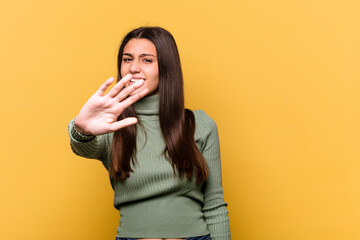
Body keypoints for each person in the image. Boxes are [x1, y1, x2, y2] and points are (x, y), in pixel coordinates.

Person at [68, 26, 231, 240]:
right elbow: (82, 145)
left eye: (146, 60)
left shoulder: (200, 124)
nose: (134, 68)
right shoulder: (112, 124)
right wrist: (81, 128)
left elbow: (214, 204)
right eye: (127, 59)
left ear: (166, 67)